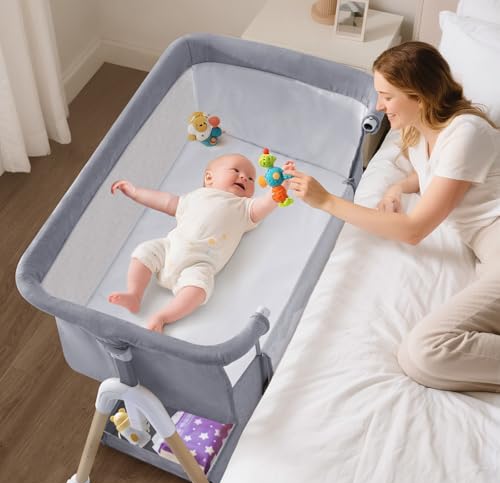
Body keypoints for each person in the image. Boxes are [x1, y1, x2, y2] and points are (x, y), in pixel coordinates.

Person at [289, 41, 500, 392]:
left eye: (387, 96)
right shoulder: (422, 133)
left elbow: (414, 230)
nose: (379, 106)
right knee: (421, 360)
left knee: (425, 352)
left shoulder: (466, 133)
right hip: (487, 254)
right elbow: (437, 173)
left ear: (419, 96)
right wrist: (397, 188)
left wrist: (326, 201)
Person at [109, 153, 285, 332]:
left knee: (199, 288)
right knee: (144, 251)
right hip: (169, 248)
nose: (244, 178)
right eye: (236, 170)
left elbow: (266, 203)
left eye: (251, 179)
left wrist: (280, 186)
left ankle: (163, 317)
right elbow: (165, 201)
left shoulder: (245, 208)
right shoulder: (194, 197)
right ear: (209, 178)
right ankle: (134, 294)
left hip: (200, 263)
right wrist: (136, 193)